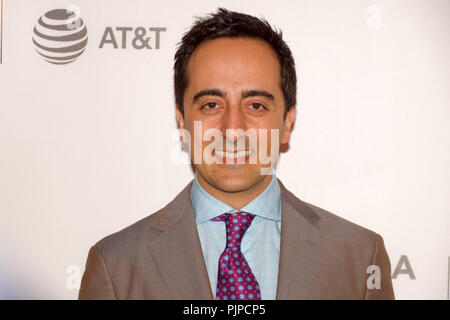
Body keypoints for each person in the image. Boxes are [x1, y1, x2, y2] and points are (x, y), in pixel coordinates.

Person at [78, 7, 395, 300]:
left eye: (256, 105)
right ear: (182, 121)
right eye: (211, 105)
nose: (233, 129)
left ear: (287, 123)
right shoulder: (115, 266)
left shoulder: (360, 257)